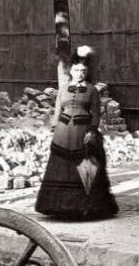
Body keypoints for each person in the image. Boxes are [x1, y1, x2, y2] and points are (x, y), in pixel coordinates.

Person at [35, 46, 119, 220]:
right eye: (76, 70)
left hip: (83, 133)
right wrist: (53, 129)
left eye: (83, 70)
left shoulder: (92, 90)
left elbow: (96, 113)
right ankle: (59, 207)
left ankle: (84, 207)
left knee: (85, 168)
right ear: (71, 71)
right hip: (63, 134)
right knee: (61, 168)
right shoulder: (63, 89)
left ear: (86, 72)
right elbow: (57, 112)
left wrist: (92, 130)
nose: (79, 73)